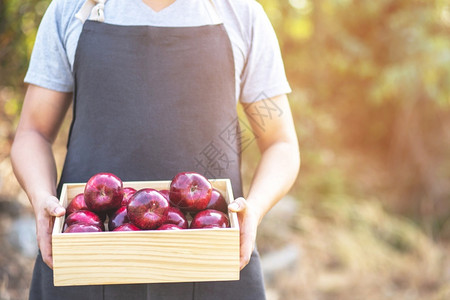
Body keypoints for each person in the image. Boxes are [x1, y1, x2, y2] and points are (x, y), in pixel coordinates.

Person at [10, 0, 300, 299]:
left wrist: (255, 208)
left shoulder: (241, 13)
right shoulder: (71, 9)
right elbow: (33, 132)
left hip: (212, 257)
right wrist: (41, 198)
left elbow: (280, 141)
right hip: (86, 258)